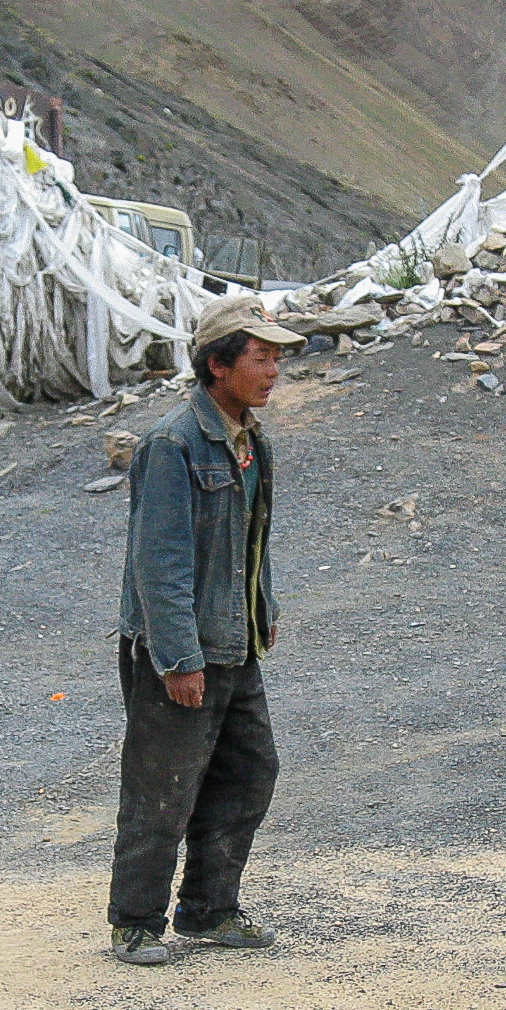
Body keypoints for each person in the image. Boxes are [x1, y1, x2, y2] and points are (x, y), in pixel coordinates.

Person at [107, 294, 305, 965]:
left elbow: (255, 541)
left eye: (277, 357)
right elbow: (157, 563)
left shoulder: (252, 442)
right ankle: (135, 922)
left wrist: (264, 607)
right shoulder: (173, 444)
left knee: (250, 771)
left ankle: (209, 908)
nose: (274, 370)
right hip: (180, 652)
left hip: (234, 643)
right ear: (217, 365)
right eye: (261, 357)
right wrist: (177, 658)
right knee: (163, 785)